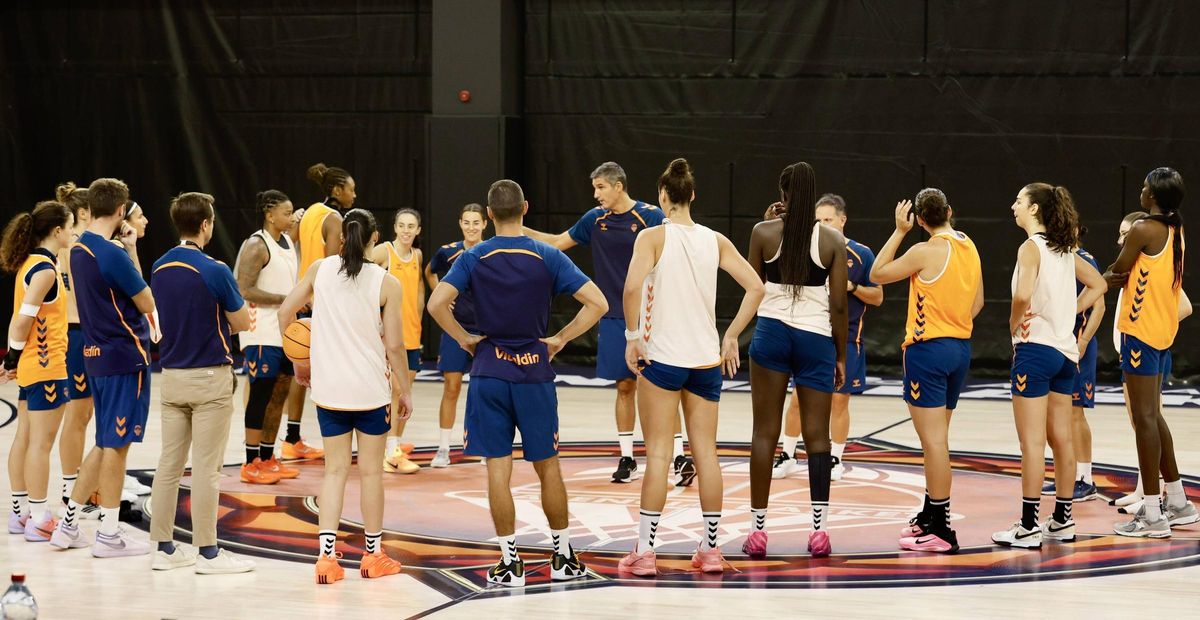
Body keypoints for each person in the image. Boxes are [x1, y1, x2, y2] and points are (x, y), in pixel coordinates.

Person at [429, 179, 606, 587]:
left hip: (490, 370)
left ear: (489, 214)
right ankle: (562, 556)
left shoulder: (474, 256)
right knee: (548, 467)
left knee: (497, 469)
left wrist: (463, 339)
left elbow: (436, 303)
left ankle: (510, 564)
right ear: (525, 208)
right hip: (533, 371)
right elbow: (599, 302)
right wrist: (560, 339)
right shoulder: (546, 255)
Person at [617, 159, 764, 576]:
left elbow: (630, 288)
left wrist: (632, 338)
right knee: (707, 455)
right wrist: (732, 334)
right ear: (692, 196)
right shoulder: (714, 240)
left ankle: (645, 552)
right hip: (705, 360)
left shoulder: (651, 236)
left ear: (663, 197)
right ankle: (711, 551)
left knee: (660, 453)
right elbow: (756, 287)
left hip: (662, 358)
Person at [524, 162, 693, 485]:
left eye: (601, 187)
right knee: (624, 386)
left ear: (619, 186)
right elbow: (558, 242)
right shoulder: (594, 219)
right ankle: (627, 457)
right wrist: (519, 228)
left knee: (663, 388)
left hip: (654, 315)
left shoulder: (651, 217)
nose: (596, 194)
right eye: (595, 188)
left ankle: (678, 456)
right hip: (615, 315)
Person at [279, 208, 413, 584]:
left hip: (330, 391)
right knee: (371, 474)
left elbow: (287, 312)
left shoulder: (320, 270)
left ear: (341, 239)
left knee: (334, 472)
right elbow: (397, 346)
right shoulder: (386, 283)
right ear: (374, 239)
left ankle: (326, 560)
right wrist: (403, 390)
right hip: (370, 392)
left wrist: (300, 365)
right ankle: (372, 557)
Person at [742, 163, 848, 559]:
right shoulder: (833, 240)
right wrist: (840, 354)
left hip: (770, 334)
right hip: (816, 338)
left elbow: (754, 287)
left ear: (782, 194)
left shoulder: (763, 232)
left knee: (764, 433)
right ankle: (819, 532)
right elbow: (838, 304)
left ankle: (757, 533)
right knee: (818, 436)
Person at [991, 184, 1105, 549]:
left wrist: (1013, 322)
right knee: (1061, 439)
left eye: (1019, 201)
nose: (1014, 206)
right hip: (1064, 353)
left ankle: (1027, 525)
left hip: (1035, 350)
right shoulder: (1066, 250)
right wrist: (1066, 313)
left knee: (1032, 443)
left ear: (1035, 208)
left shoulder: (1031, 247)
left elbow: (1023, 295)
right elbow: (1099, 284)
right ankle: (1062, 519)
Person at [869, 188, 983, 554]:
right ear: (950, 211)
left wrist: (899, 232)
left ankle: (942, 529)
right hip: (960, 348)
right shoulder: (969, 245)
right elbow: (978, 302)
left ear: (920, 220)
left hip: (927, 350)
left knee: (933, 443)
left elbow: (877, 273)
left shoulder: (923, 250)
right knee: (938, 442)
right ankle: (929, 514)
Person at [148, 192, 256, 574]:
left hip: (171, 376)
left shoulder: (158, 267)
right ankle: (208, 553)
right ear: (206, 224)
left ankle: (162, 548)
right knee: (207, 469)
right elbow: (243, 323)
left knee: (168, 465)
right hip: (210, 376)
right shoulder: (214, 269)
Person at [51, 178, 155, 557]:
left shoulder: (79, 249)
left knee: (104, 441)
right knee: (117, 446)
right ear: (120, 209)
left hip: (95, 354)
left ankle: (69, 524)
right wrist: (129, 249)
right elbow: (146, 300)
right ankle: (109, 535)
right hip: (124, 355)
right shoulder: (110, 254)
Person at [1104, 167, 1197, 537]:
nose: (1140, 192)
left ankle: (1154, 514)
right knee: (1153, 417)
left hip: (1141, 333)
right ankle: (1177, 500)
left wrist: (1097, 280)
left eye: (1144, 188)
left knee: (1143, 420)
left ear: (1154, 197)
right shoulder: (1176, 229)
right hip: (1161, 333)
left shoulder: (1143, 228)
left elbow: (1118, 270)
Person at [770, 194, 882, 481]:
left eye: (827, 219)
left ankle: (835, 458)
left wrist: (852, 286)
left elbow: (878, 296)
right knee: (797, 399)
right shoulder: (806, 250)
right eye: (817, 220)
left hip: (847, 338)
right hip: (812, 334)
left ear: (842, 221)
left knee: (839, 400)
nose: (821, 224)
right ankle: (788, 454)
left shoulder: (861, 254)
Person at [2, 201, 73, 542]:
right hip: (46, 366)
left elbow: (18, 321)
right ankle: (40, 518)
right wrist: (11, 359)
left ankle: (20, 515)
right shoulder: (44, 271)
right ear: (57, 231)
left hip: (33, 366)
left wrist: (14, 360)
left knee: (26, 439)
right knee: (40, 445)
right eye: (71, 226)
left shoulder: (31, 264)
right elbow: (21, 322)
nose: (73, 232)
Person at [280, 162, 360, 462]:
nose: (354, 194)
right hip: (320, 301)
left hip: (302, 293)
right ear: (338, 190)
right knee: (327, 372)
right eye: (351, 189)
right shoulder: (335, 217)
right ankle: (336, 439)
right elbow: (332, 265)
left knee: (299, 370)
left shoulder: (311, 210)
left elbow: (294, 244)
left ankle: (291, 437)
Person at [235, 190, 300, 485]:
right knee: (260, 395)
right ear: (270, 214)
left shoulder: (286, 241)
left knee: (279, 395)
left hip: (284, 331)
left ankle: (268, 457)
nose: (291, 217)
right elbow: (244, 290)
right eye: (287, 213)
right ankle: (250, 462)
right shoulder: (256, 245)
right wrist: (287, 299)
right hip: (261, 331)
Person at [1040, 227, 1106, 502]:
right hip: (1060, 344)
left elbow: (1099, 306)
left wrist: (1083, 342)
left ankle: (1085, 478)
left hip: (1079, 344)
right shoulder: (1058, 257)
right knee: (1057, 414)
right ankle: (1065, 475)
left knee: (1076, 413)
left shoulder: (1084, 259)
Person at [425, 204, 488, 467]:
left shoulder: (493, 250)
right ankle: (443, 448)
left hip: (487, 330)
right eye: (467, 222)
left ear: (485, 224)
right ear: (460, 223)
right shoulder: (448, 252)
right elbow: (429, 270)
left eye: (476, 222)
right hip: (455, 329)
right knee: (451, 388)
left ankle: (486, 447)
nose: (471, 227)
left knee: (483, 390)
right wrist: (440, 292)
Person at [53, 183, 101, 519]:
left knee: (86, 416)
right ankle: (72, 489)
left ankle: (84, 484)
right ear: (84, 213)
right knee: (78, 416)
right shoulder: (73, 247)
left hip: (86, 332)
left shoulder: (79, 245)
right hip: (76, 333)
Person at [370, 208, 424, 475]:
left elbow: (418, 292)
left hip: (411, 334)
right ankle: (388, 451)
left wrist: (418, 320)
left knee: (405, 392)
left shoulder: (417, 255)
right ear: (394, 228)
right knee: (392, 393)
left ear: (418, 230)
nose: (406, 230)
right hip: (388, 336)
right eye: (402, 225)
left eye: (411, 226)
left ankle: (395, 444)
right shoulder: (383, 252)